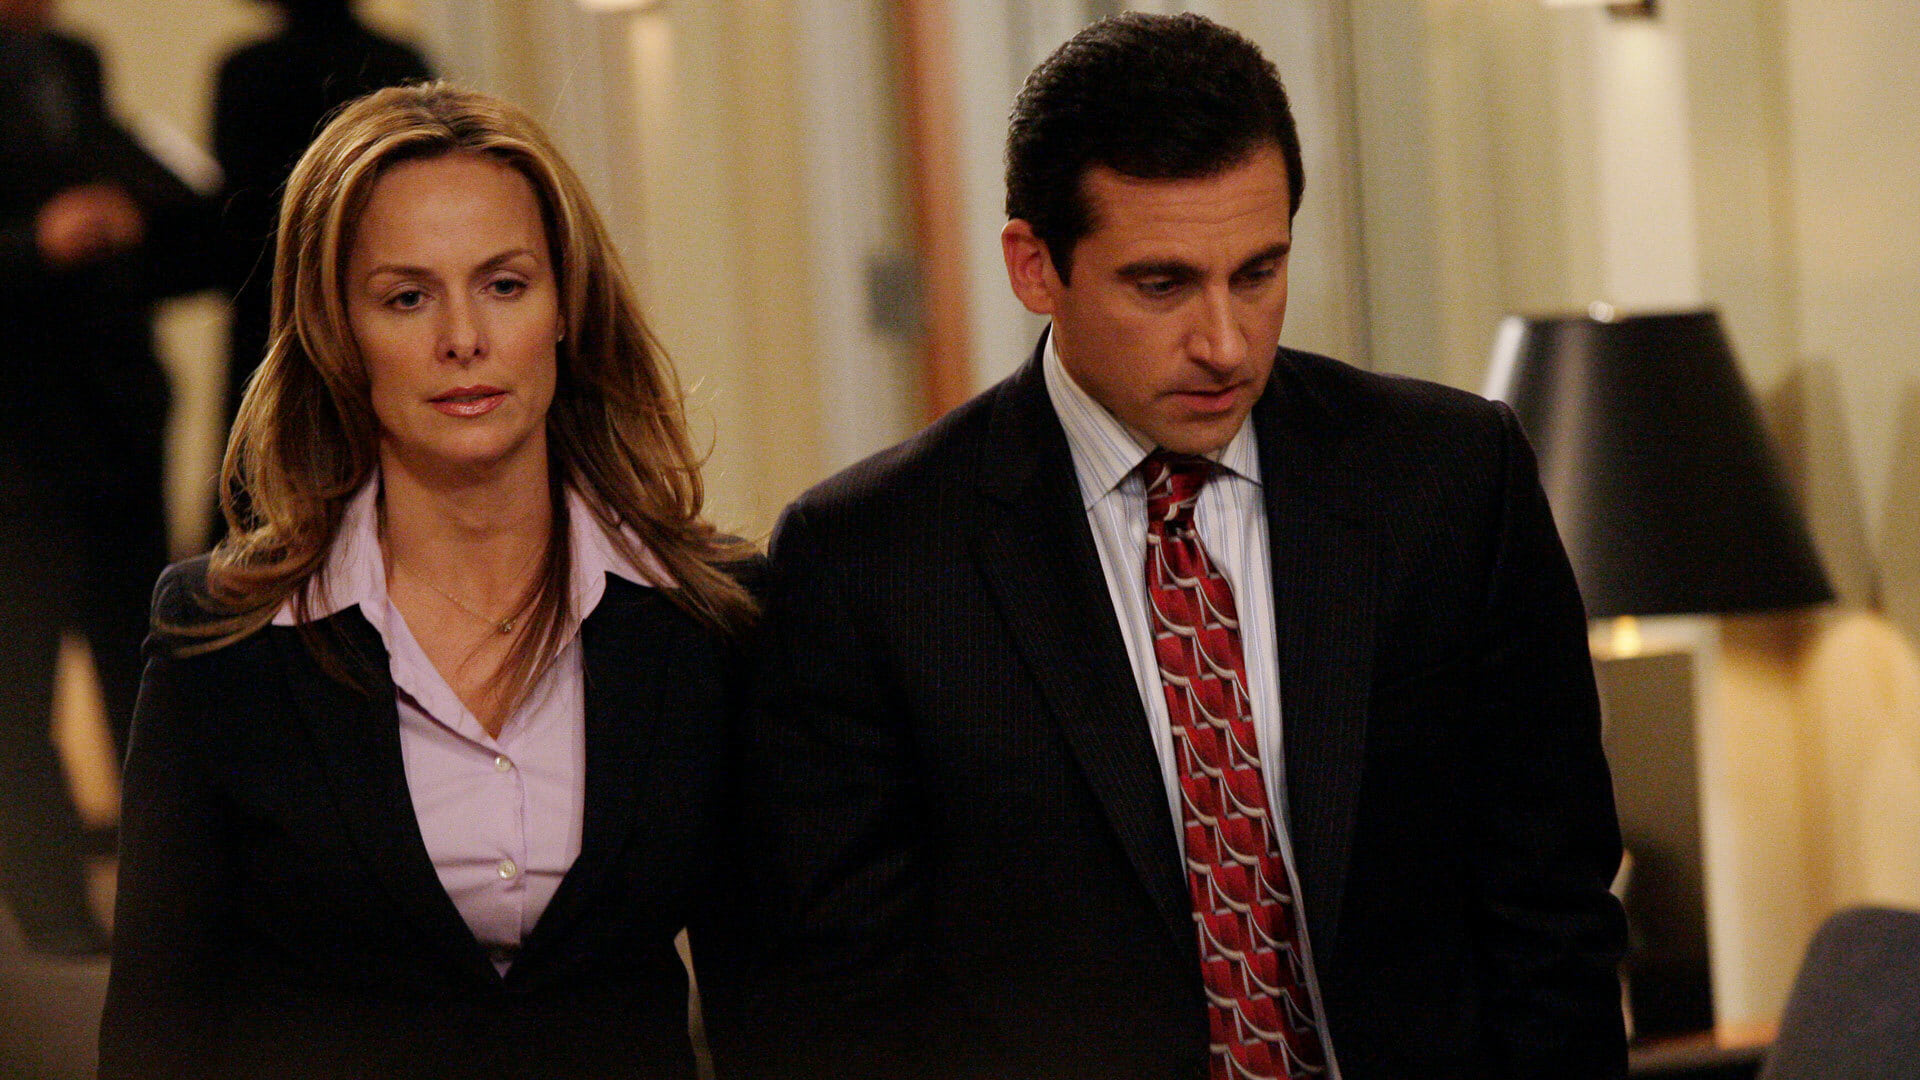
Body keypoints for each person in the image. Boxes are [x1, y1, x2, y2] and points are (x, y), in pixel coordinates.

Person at [730, 13, 1627, 1080]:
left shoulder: (1448, 480)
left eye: (1257, 273)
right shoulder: (870, 562)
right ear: (1034, 265)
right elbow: (834, 1008)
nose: (1225, 343)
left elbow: (1552, 916)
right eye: (1161, 285)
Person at [98, 83, 757, 1080]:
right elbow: (155, 1030)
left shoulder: (709, 615)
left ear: (566, 307)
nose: (463, 338)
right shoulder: (220, 637)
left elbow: (777, 1001)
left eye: (505, 285)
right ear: (337, 329)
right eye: (407, 297)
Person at [0, 0, 215, 955]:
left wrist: (136, 216)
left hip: (114, 423)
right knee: (16, 687)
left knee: (150, 671)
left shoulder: (74, 60)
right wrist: (35, 244)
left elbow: (167, 214)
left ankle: (170, 903)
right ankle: (53, 914)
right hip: (14, 443)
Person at [211, 0, 431, 487]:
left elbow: (237, 217)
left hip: (271, 310)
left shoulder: (249, 70)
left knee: (272, 479)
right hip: (390, 302)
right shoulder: (398, 61)